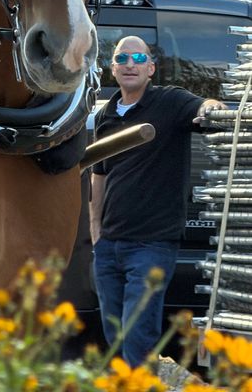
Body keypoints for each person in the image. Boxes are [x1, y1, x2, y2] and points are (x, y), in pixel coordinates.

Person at [90, 36, 226, 366]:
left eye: (138, 57)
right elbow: (99, 176)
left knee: (138, 338)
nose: (130, 64)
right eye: (122, 58)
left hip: (151, 246)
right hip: (109, 247)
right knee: (114, 339)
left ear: (151, 68)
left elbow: (206, 105)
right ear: (113, 69)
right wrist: (96, 236)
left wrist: (212, 108)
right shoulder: (107, 114)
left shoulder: (170, 101)